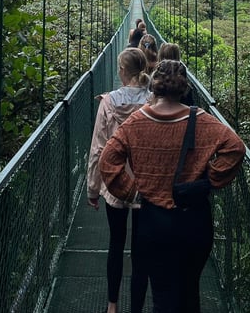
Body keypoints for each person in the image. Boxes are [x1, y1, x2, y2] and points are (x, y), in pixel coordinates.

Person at [99, 59, 245, 313]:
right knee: (190, 294)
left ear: (154, 87)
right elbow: (235, 148)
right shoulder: (202, 121)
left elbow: (108, 161)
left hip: (152, 221)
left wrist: (132, 191)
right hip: (194, 220)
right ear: (184, 88)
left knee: (162, 296)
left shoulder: (135, 123)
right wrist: (210, 179)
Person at [87, 48, 150, 313]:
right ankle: (136, 308)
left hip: (115, 183)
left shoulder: (109, 102)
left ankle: (112, 307)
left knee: (115, 242)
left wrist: (93, 188)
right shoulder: (155, 101)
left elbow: (98, 148)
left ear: (122, 71)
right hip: (145, 185)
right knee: (141, 251)